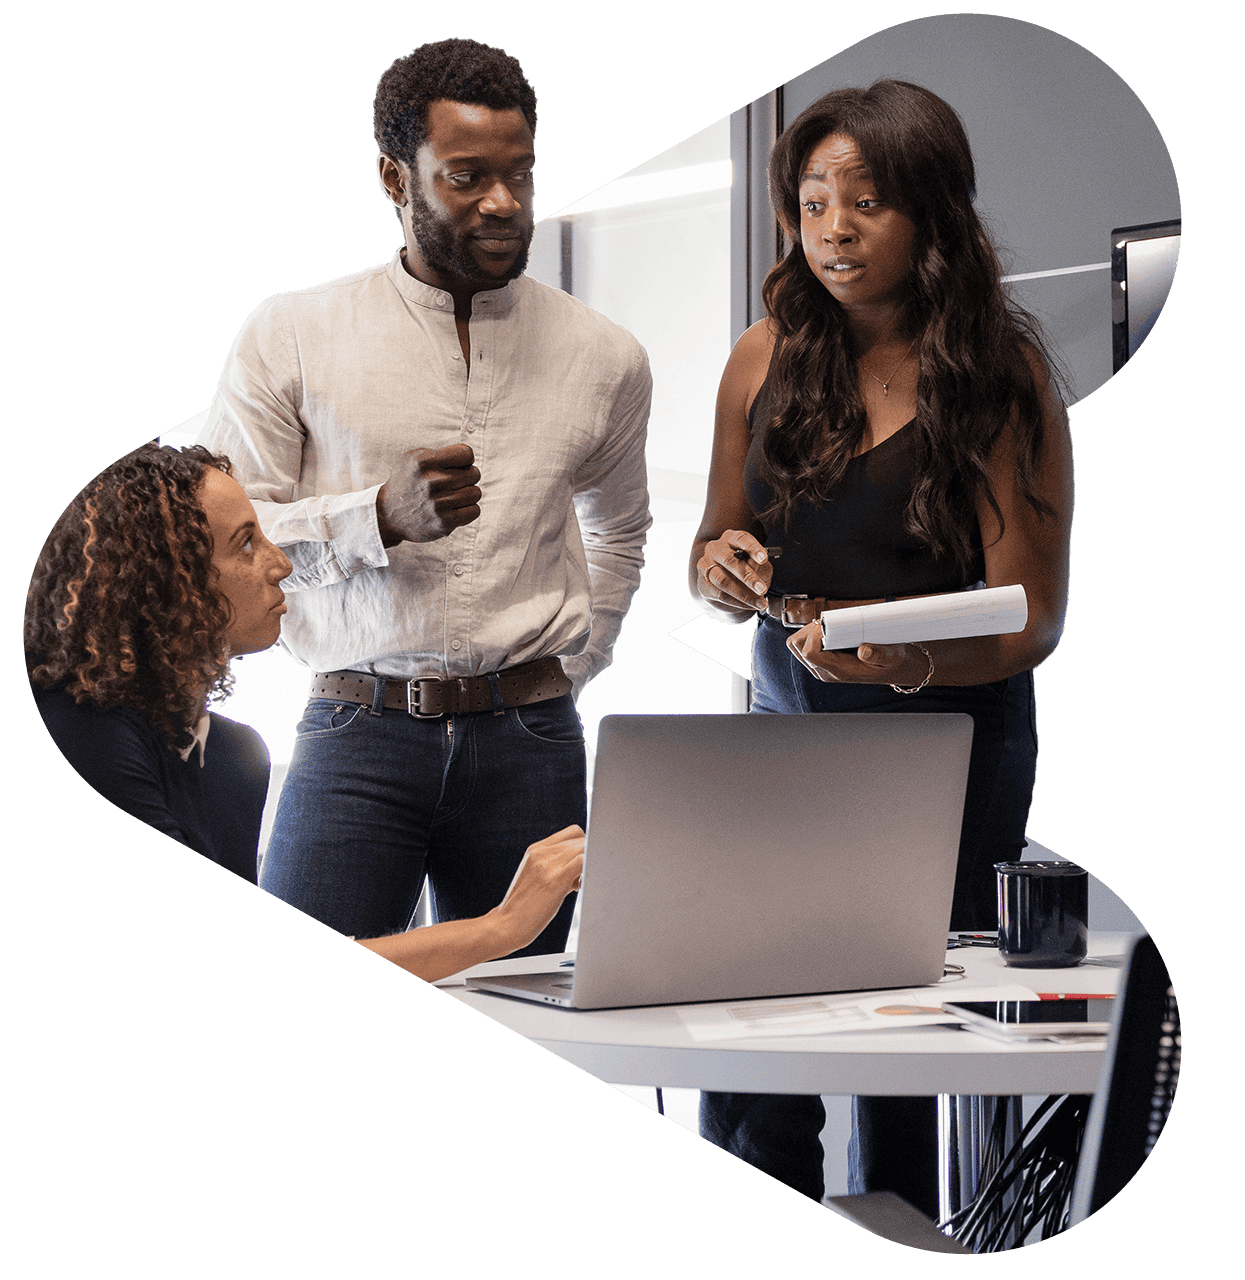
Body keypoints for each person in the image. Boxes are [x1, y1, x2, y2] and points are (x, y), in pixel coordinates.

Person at [689, 82, 1073, 1212]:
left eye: (865, 201)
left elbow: (1029, 615)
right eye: (811, 204)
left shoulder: (998, 372)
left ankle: (898, 1227)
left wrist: (902, 665)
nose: (833, 229)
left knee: (899, 1039)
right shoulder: (757, 357)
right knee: (756, 1025)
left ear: (930, 215)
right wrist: (721, 569)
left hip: (948, 735)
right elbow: (711, 548)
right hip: (785, 729)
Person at [199, 38, 650, 954]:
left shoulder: (605, 355)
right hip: (355, 729)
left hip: (534, 740)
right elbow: (222, 539)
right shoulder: (291, 333)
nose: (503, 204)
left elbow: (622, 532)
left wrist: (569, 670)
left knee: (542, 1026)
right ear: (396, 182)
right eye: (467, 177)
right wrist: (375, 519)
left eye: (520, 175)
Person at [26, 443, 585, 983]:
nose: (279, 563)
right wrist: (504, 927)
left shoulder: (231, 754)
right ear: (164, 579)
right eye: (246, 544)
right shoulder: (75, 732)